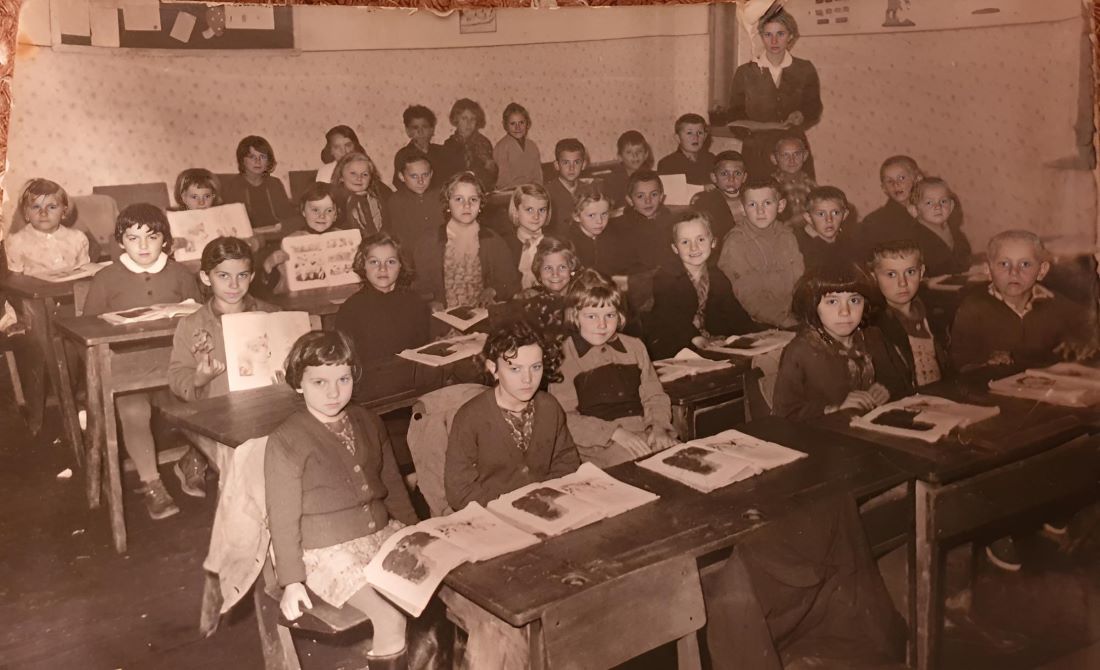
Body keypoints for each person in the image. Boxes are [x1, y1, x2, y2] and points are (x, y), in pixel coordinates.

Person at [265, 330, 418, 670]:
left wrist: (414, 533)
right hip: (328, 553)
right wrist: (291, 582)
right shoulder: (286, 440)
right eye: (319, 382)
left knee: (437, 593)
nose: (334, 393)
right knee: (390, 618)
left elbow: (392, 484)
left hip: (381, 534)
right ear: (298, 384)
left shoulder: (368, 420)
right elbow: (283, 518)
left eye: (343, 379)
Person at [83, 204, 202, 519]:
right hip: (126, 370)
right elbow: (88, 330)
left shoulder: (180, 274)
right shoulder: (107, 278)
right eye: (133, 238)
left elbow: (200, 321)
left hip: (174, 366)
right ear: (121, 242)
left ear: (165, 239)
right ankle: (152, 482)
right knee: (134, 411)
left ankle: (193, 458)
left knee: (204, 401)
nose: (144, 245)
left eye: (152, 236)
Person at [168, 237, 279, 497]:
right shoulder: (191, 325)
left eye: (242, 275)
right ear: (206, 278)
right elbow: (176, 376)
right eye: (223, 276)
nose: (233, 284)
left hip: (266, 411)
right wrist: (197, 379)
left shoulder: (272, 315)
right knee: (241, 473)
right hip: (217, 417)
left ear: (251, 276)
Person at [444, 320, 580, 509]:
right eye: (515, 369)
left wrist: (545, 495)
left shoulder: (550, 407)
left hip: (546, 505)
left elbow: (567, 461)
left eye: (536, 367)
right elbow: (459, 491)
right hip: (494, 515)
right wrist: (512, 507)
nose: (528, 379)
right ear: (493, 368)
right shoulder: (470, 417)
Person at [549, 273, 677, 468]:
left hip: (643, 430)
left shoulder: (635, 347)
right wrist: (613, 433)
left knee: (679, 456)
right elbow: (564, 417)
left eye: (610, 315)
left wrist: (659, 427)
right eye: (591, 316)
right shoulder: (565, 356)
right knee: (639, 466)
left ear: (620, 316)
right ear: (575, 316)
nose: (602, 325)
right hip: (596, 443)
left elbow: (654, 396)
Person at [950, 229, 1094, 372]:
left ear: (1041, 271)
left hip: (1044, 388)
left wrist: (1082, 341)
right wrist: (985, 361)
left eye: (1025, 264)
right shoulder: (972, 309)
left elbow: (1088, 329)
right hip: (991, 388)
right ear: (988, 270)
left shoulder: (1057, 304)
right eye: (1004, 264)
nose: (1014, 272)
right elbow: (961, 364)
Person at [772, 263, 890, 420]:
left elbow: (899, 383)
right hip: (821, 437)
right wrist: (836, 409)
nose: (845, 312)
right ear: (813, 305)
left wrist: (885, 390)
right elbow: (783, 415)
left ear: (865, 304)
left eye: (854, 300)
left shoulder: (872, 337)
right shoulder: (800, 351)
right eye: (832, 302)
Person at [644, 211, 755, 360]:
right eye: (685, 242)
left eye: (701, 239)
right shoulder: (666, 278)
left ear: (713, 242)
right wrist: (695, 338)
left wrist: (753, 334)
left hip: (710, 341)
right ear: (675, 248)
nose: (694, 248)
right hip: (674, 342)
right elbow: (671, 316)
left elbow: (733, 311)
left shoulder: (717, 276)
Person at [727, 8, 822, 179]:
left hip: (793, 152)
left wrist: (801, 115)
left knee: (799, 200)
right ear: (761, 37)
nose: (774, 40)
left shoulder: (804, 69)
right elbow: (734, 117)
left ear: (791, 36)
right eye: (768, 35)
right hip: (757, 151)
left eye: (780, 34)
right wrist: (754, 136)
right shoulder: (745, 72)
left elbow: (814, 108)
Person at [335, 232, 430, 401]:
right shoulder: (350, 309)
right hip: (372, 390)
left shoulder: (415, 302)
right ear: (363, 265)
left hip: (412, 385)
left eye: (391, 262)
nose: (382, 269)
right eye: (374, 262)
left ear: (401, 265)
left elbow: (423, 347)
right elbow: (348, 364)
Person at [410, 171, 519, 311]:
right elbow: (418, 288)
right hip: (442, 321)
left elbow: (511, 281)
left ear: (480, 205)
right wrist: (430, 303)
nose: (466, 206)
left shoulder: (493, 240)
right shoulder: (428, 243)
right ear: (447, 204)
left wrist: (493, 291)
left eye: (473, 199)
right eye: (459, 199)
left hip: (481, 321)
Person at [864, 240, 950, 399]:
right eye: (891, 274)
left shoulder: (934, 315)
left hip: (941, 399)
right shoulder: (872, 325)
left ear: (922, 271)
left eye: (910, 272)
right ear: (874, 277)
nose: (902, 283)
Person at [717, 176, 804, 328]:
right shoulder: (736, 242)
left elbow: (800, 281)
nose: (760, 211)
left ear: (781, 205)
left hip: (793, 315)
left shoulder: (788, 236)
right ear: (742, 209)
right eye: (752, 204)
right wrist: (783, 320)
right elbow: (748, 295)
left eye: (767, 203)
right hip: (753, 321)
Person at [258, 183, 341, 295]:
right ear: (303, 211)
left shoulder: (343, 238)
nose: (322, 216)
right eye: (315, 210)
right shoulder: (292, 241)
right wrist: (270, 264)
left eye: (329, 210)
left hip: (336, 294)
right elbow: (273, 283)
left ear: (336, 214)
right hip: (300, 298)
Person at [5, 178, 89, 276]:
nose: (43, 213)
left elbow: (85, 272)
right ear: (26, 213)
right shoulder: (16, 241)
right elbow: (16, 280)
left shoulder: (78, 238)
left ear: (64, 212)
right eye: (36, 207)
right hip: (34, 289)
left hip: (73, 289)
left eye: (51, 207)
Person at [221, 136, 295, 230]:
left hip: (276, 234)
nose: (258, 161)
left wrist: (284, 226)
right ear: (242, 160)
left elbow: (289, 215)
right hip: (248, 238)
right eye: (252, 157)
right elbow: (229, 223)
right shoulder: (231, 186)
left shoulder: (275, 184)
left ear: (268, 161)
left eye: (262, 157)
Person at [563, 183, 633, 278]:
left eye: (604, 214)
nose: (599, 221)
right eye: (592, 215)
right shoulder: (567, 244)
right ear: (576, 216)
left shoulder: (616, 236)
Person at [905, 177, 971, 276]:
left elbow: (965, 262)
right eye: (929, 203)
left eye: (943, 201)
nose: (938, 207)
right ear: (914, 210)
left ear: (951, 206)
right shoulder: (913, 239)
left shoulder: (958, 235)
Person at [613, 169, 675, 273]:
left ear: (661, 196)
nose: (648, 201)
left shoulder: (672, 223)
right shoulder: (619, 227)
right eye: (640, 196)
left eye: (654, 194)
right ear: (629, 200)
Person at [690, 150, 749, 246]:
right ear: (714, 177)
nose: (731, 179)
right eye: (724, 174)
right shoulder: (706, 201)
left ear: (744, 177)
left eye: (737, 173)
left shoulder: (751, 198)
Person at [794, 186, 857, 271]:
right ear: (808, 218)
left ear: (844, 215)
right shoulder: (798, 245)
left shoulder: (849, 243)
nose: (829, 220)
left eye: (835, 213)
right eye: (821, 214)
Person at [502, 183, 553, 289]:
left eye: (542, 210)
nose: (536, 216)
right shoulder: (504, 244)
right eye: (529, 210)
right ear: (516, 212)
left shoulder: (554, 244)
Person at [442, 98, 498, 192]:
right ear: (456, 120)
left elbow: (490, 173)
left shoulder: (483, 143)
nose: (468, 123)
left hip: (480, 190)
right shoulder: (449, 145)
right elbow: (447, 174)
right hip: (456, 190)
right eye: (464, 118)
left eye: (473, 119)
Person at [387, 153, 442, 250]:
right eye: (414, 176)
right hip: (412, 259)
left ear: (431, 174)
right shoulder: (395, 202)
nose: (421, 181)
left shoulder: (442, 196)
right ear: (401, 177)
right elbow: (399, 239)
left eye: (425, 175)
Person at [330, 150, 393, 235]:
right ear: (341, 176)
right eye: (353, 173)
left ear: (371, 178)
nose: (359, 178)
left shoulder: (379, 196)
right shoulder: (333, 199)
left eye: (365, 174)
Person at [391, 105, 454, 188]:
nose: (420, 132)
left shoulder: (442, 152)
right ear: (408, 131)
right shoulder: (403, 155)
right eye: (415, 127)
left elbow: (451, 179)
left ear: (432, 129)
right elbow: (399, 183)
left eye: (425, 127)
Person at [493, 102, 543, 190]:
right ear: (506, 125)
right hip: (509, 194)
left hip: (532, 193)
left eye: (521, 123)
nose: (518, 127)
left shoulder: (532, 146)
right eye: (513, 124)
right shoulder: (502, 147)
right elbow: (503, 182)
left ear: (527, 123)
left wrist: (535, 190)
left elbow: (538, 176)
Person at [656, 113, 716, 186]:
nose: (695, 137)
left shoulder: (712, 159)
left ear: (705, 136)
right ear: (677, 138)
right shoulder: (667, 164)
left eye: (700, 133)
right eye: (689, 133)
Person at [545, 138, 588, 235]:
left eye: (576, 162)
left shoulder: (588, 190)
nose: (571, 168)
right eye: (566, 162)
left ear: (584, 164)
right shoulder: (547, 192)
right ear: (557, 165)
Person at [771, 135, 816, 225]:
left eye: (797, 154)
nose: (792, 160)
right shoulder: (771, 185)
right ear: (774, 159)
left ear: (805, 156)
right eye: (785, 155)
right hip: (782, 231)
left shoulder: (810, 184)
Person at [603, 130, 653, 207]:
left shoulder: (652, 177)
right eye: (629, 152)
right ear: (620, 157)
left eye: (639, 151)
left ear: (646, 154)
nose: (635, 156)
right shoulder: (611, 181)